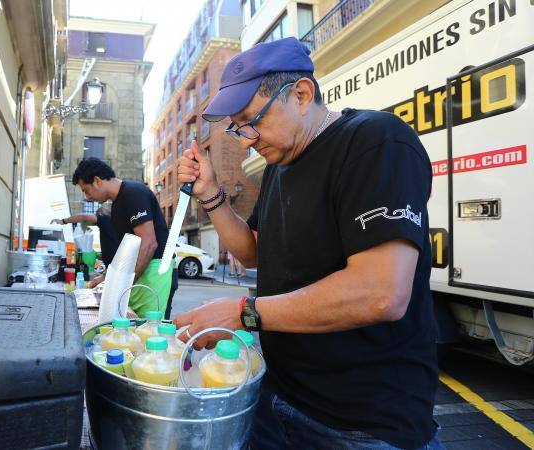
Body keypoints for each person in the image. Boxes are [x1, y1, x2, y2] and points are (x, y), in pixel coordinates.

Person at [173, 38, 441, 449]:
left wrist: (244, 315)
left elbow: (381, 293)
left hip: (360, 423)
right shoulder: (280, 165)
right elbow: (253, 252)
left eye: (252, 120)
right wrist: (210, 194)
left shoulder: (376, 143)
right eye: (236, 127)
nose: (245, 139)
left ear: (301, 94)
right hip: (277, 399)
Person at [72, 158, 179, 318]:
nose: (87, 197)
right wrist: (105, 277)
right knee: (132, 328)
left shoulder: (134, 193)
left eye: (86, 190)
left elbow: (149, 244)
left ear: (97, 180)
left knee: (150, 331)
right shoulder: (116, 207)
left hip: (156, 272)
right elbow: (125, 252)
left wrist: (123, 284)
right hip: (141, 272)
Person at [52, 205, 120, 270]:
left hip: (114, 265)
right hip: (116, 263)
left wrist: (63, 221)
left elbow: (84, 217)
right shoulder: (115, 222)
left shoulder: (104, 218)